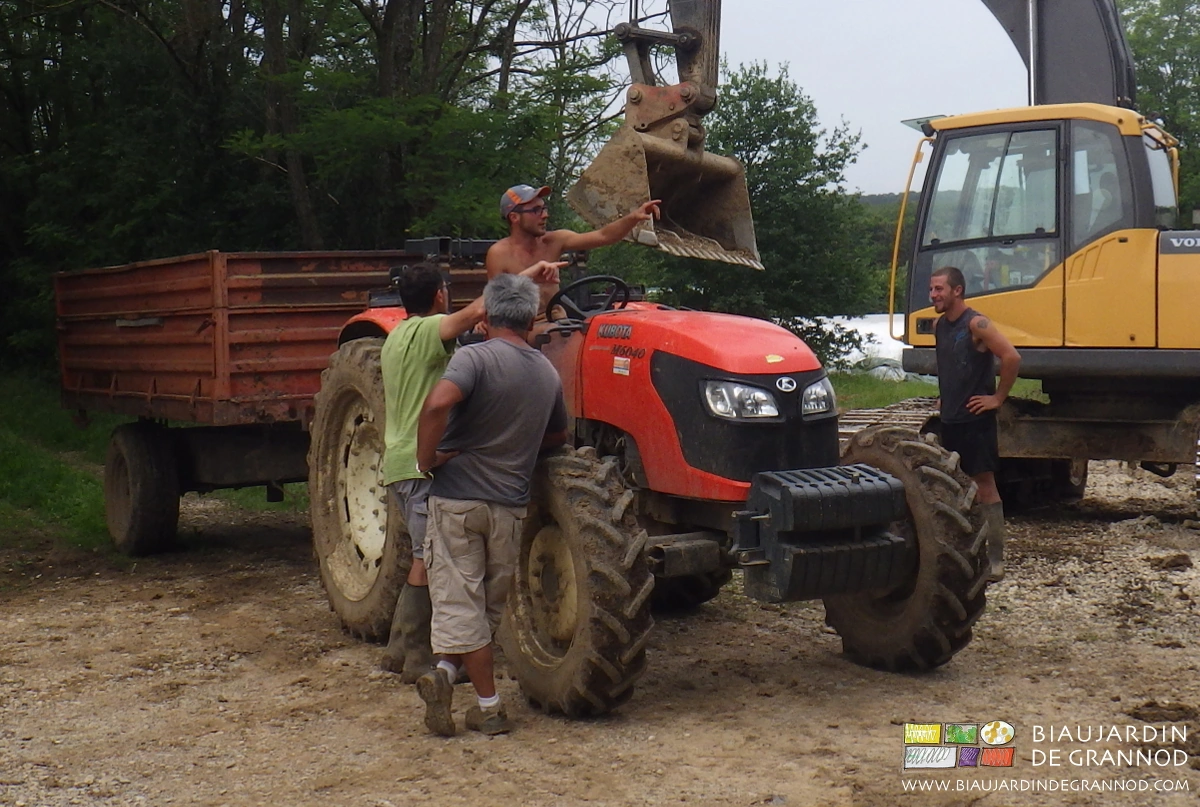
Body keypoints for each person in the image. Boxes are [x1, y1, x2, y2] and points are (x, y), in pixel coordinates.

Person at [378, 260, 561, 683]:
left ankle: (397, 650)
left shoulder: (396, 337)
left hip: (398, 461)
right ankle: (419, 657)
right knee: (428, 560)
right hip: (423, 460)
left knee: (422, 554)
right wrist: (528, 276)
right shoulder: (428, 331)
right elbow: (482, 308)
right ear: (439, 295)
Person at [413, 273, 568, 736]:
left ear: (489, 314)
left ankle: (489, 706)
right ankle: (444, 673)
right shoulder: (547, 372)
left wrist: (426, 460)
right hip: (509, 507)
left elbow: (436, 404)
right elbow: (557, 436)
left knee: (461, 606)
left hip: (457, 501)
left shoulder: (474, 357)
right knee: (484, 609)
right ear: (530, 318)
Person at [929, 265, 1022, 582]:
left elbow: (1011, 357)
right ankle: (965, 554)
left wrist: (998, 398)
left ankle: (995, 561)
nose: (933, 295)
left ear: (957, 290)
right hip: (950, 419)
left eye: (939, 289)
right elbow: (950, 366)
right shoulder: (939, 325)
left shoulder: (976, 323)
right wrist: (945, 396)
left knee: (984, 486)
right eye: (932, 289)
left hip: (975, 420)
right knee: (954, 485)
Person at [486, 184, 661, 319]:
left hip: (557, 319)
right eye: (536, 210)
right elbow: (494, 303)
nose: (545, 215)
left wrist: (633, 218)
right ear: (514, 217)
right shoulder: (499, 254)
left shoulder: (554, 240)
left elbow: (603, 236)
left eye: (544, 208)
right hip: (522, 327)